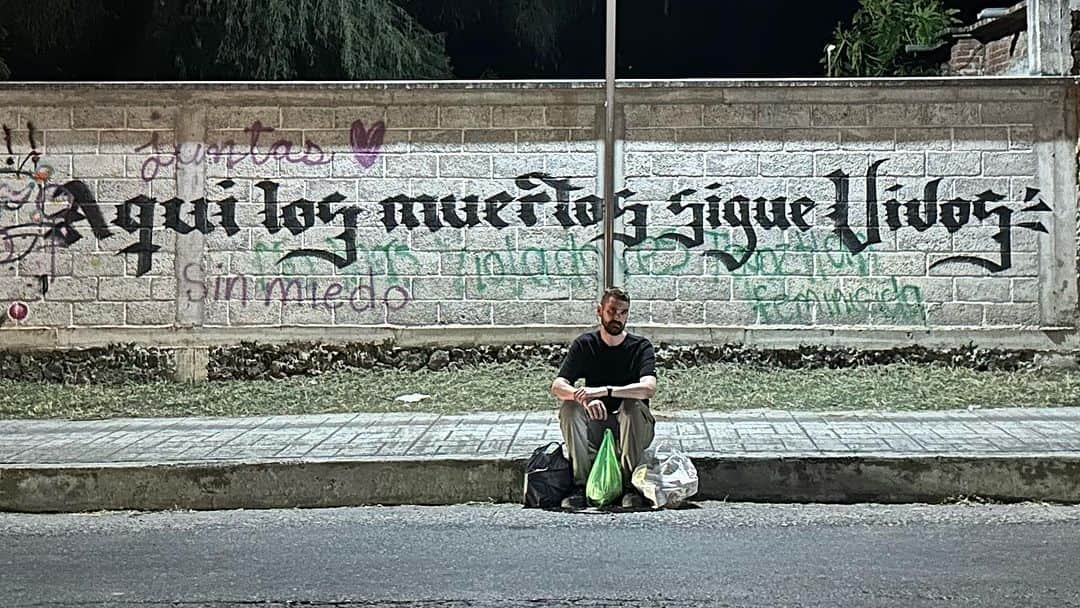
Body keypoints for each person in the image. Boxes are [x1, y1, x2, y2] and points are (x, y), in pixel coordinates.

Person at [550, 286, 657, 510]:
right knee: (569, 408)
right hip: (597, 426)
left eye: (623, 312)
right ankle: (581, 485)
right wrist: (583, 399)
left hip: (634, 428)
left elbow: (648, 388)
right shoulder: (585, 344)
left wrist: (605, 391)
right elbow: (558, 386)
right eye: (612, 311)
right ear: (599, 311)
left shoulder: (640, 346)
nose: (617, 317)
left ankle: (630, 487)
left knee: (630, 406)